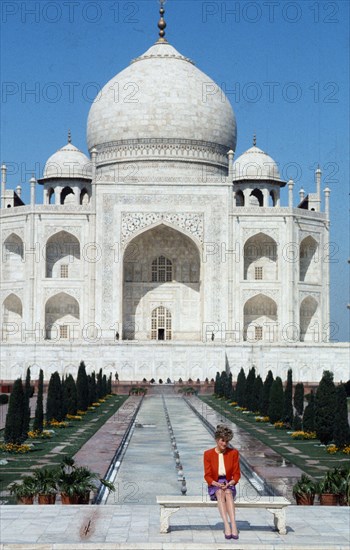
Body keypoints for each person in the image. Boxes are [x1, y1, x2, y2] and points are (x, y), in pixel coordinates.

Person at [203, 424, 240, 540]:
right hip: (215, 483)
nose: (224, 444)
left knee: (228, 493)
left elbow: (237, 474)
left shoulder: (233, 453)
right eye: (222, 441)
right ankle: (226, 525)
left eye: (227, 441)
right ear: (217, 439)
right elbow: (207, 476)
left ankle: (233, 525)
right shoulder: (208, 454)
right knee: (220, 493)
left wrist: (231, 483)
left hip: (229, 482)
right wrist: (216, 483)